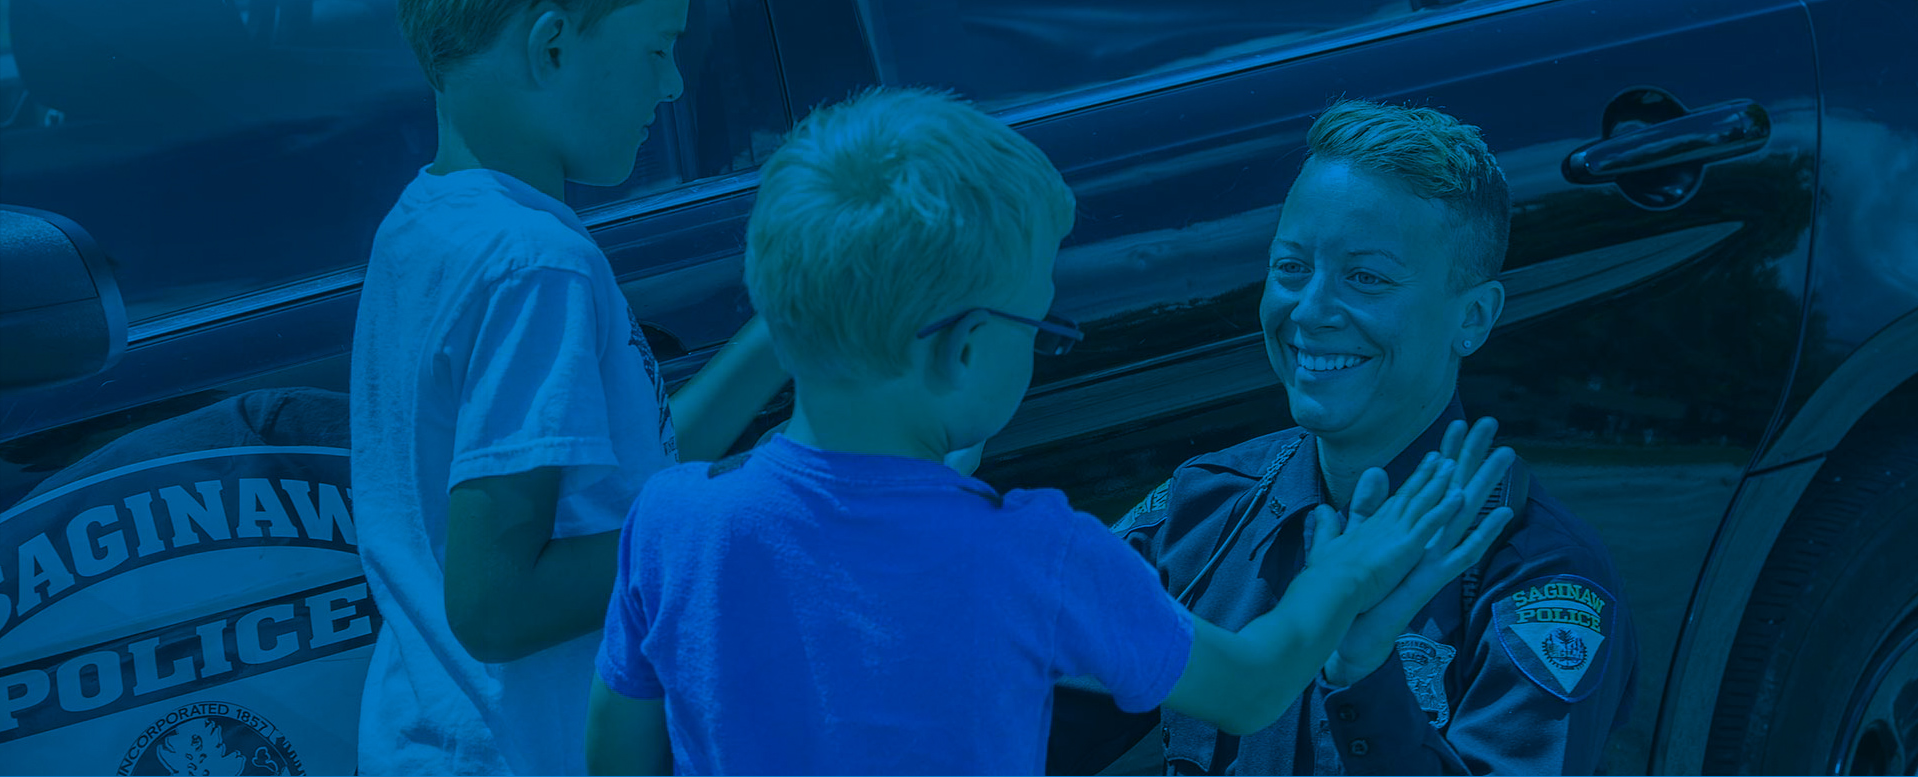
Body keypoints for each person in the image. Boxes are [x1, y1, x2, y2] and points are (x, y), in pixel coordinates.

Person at [583, 87, 1518, 776]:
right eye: (1040, 326)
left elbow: (616, 764)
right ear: (963, 354)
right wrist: (1341, 573)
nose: (1041, 347)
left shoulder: (669, 523)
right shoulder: (1036, 551)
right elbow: (1251, 685)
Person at [350, 0, 787, 773]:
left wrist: (782, 336)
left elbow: (633, 488)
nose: (671, 85)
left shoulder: (424, 225)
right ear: (552, 44)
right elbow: (498, 603)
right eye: (658, 48)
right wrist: (766, 506)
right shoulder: (534, 263)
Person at [1048, 100, 1638, 775]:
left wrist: (1365, 676)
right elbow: (1029, 731)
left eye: (1365, 277)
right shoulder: (1203, 509)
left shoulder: (1534, 578)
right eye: (1290, 267)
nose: (1310, 309)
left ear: (1471, 317)